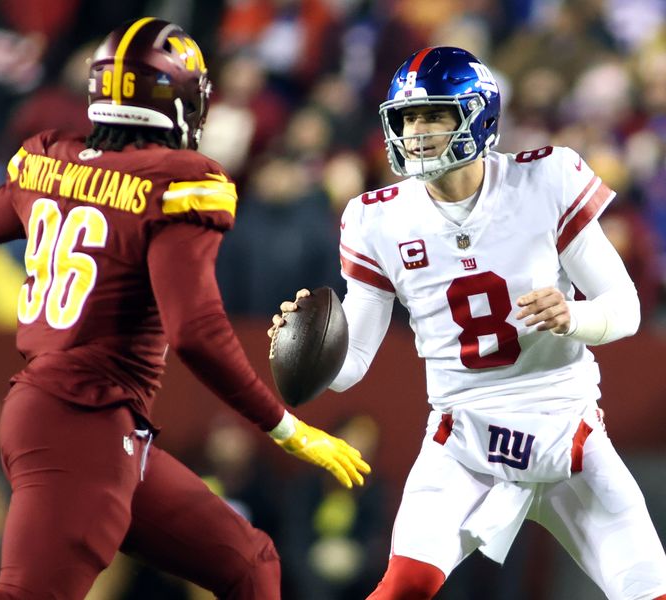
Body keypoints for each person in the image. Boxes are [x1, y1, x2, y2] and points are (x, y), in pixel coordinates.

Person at [0, 17, 370, 600]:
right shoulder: (177, 184)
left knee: (251, 561)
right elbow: (196, 331)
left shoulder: (50, 161)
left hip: (95, 424)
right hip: (80, 419)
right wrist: (285, 428)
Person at [270, 46, 666, 600]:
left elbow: (625, 307)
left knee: (649, 589)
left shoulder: (546, 178)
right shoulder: (375, 218)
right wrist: (303, 344)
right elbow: (351, 365)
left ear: (477, 116)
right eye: (408, 117)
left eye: (435, 114)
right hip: (465, 437)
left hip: (564, 428)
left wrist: (572, 314)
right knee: (403, 586)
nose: (419, 130)